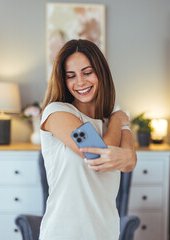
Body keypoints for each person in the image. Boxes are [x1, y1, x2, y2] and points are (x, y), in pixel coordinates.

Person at [39, 39, 137, 240]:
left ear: (101, 73)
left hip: (105, 233)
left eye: (87, 72)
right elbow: (97, 154)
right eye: (71, 76)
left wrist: (118, 121)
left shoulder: (111, 122)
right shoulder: (56, 112)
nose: (80, 82)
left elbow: (129, 162)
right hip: (62, 234)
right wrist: (120, 119)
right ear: (63, 80)